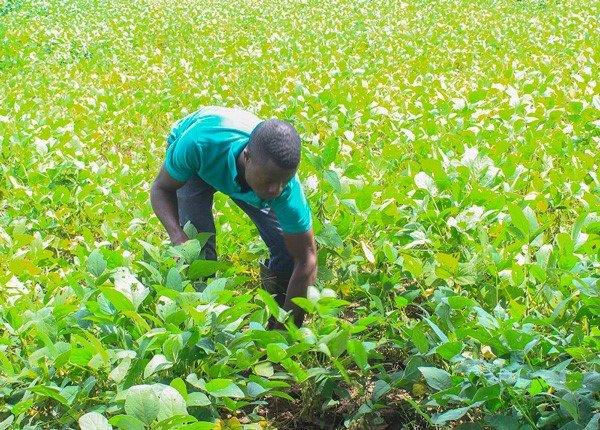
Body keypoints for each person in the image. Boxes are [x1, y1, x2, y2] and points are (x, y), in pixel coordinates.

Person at [150, 106, 317, 327]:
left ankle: (275, 314)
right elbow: (161, 189)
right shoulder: (197, 145)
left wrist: (288, 329)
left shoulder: (282, 187)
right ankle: (201, 321)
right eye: (269, 181)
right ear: (247, 157)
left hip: (242, 173)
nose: (275, 190)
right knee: (198, 248)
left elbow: (306, 259)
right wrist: (178, 236)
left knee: (287, 250)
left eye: (284, 182)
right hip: (199, 166)